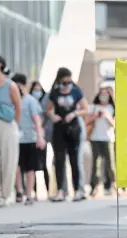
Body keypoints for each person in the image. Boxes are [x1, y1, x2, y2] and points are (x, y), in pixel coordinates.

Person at [47, 67, 88, 202]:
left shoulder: (76, 91)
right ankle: (60, 190)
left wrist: (74, 113)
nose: (67, 85)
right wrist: (53, 116)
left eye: (69, 82)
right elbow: (49, 109)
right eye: (64, 82)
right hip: (59, 128)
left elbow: (85, 108)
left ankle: (78, 190)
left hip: (74, 128)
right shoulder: (55, 93)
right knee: (59, 160)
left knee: (74, 159)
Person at [0, 54, 21, 207]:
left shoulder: (10, 85)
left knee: (9, 160)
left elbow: (18, 106)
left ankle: (5, 194)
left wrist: (16, 125)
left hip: (8, 124)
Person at [13, 74, 46, 205]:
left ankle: (29, 193)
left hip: (30, 138)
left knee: (30, 168)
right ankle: (19, 191)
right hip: (16, 138)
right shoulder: (12, 99)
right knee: (17, 167)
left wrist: (40, 137)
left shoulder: (31, 101)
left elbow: (37, 119)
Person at [87, 87, 115, 196]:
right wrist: (96, 117)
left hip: (108, 138)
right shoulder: (94, 107)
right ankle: (95, 186)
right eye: (101, 94)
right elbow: (88, 121)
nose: (103, 96)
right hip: (95, 138)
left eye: (105, 94)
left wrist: (107, 117)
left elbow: (115, 124)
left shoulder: (112, 108)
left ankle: (113, 184)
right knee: (96, 163)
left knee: (110, 163)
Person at [29, 81, 51, 199]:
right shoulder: (29, 100)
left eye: (38, 89)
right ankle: (34, 192)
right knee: (32, 167)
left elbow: (46, 116)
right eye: (35, 89)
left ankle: (47, 192)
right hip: (30, 137)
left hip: (42, 135)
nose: (36, 91)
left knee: (43, 165)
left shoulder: (46, 100)